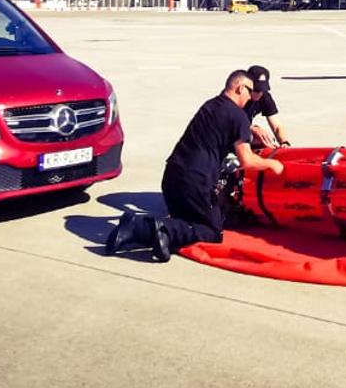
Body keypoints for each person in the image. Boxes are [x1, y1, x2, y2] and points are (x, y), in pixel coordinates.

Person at [106, 70, 284, 261]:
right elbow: (246, 160)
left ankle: (140, 231)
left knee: (185, 223)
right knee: (212, 230)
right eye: (249, 92)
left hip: (172, 176)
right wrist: (272, 164)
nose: (250, 98)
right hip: (195, 182)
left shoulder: (210, 106)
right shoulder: (238, 116)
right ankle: (143, 227)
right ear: (240, 88)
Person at [242, 64, 291, 148]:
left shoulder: (264, 96)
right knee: (254, 136)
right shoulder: (236, 96)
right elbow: (228, 122)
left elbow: (277, 127)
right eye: (256, 89)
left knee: (266, 139)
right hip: (222, 134)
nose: (259, 93)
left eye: (262, 89)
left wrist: (284, 142)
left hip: (242, 131)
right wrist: (252, 128)